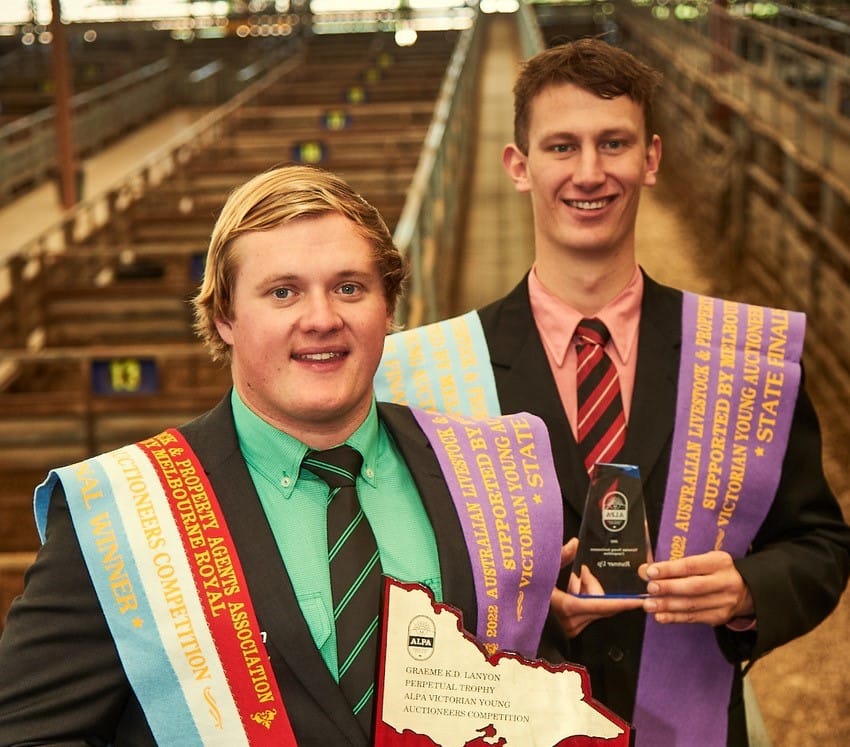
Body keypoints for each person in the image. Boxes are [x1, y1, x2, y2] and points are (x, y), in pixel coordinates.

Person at [0, 165, 566, 746]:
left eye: (349, 287)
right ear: (224, 316)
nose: (321, 319)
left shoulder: (482, 475)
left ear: (389, 308)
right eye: (282, 292)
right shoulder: (123, 515)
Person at [473, 38, 850, 746]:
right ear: (519, 166)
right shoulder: (450, 371)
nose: (589, 172)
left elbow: (820, 543)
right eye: (562, 146)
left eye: (612, 143)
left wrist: (746, 591)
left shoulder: (744, 360)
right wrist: (529, 609)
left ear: (650, 158)